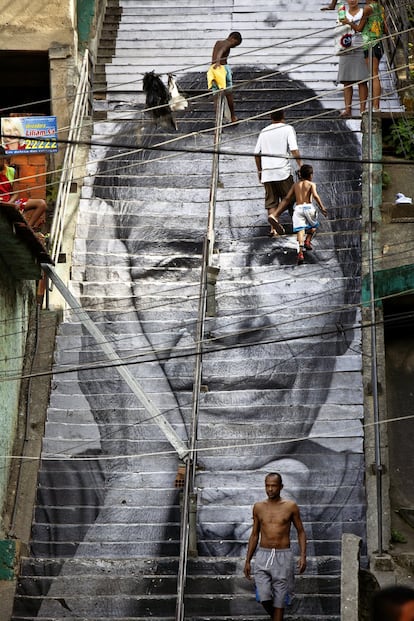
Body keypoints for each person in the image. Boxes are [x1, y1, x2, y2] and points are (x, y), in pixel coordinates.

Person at [33, 65, 365, 619]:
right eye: (177, 263)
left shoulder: (385, 503)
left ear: (350, 307)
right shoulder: (41, 502)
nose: (232, 321)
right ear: (108, 291)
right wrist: (139, 476)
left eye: (287, 256)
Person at [244, 473, 306, 621]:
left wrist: (303, 556)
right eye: (267, 485)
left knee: (279, 600)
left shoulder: (290, 506)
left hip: (283, 556)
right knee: (264, 596)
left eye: (274, 485)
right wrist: (247, 560)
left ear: (281, 487)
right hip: (263, 555)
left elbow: (301, 531)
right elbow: (254, 535)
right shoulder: (258, 507)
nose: (270, 489)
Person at [254, 109, 302, 237]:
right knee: (291, 198)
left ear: (270, 117)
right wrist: (300, 164)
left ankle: (273, 229)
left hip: (267, 173)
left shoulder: (264, 131)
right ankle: (292, 222)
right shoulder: (287, 129)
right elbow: (294, 149)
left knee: (271, 201)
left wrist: (260, 170)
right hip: (282, 171)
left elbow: (256, 153)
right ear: (283, 116)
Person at [341, 0, 388, 111]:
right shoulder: (380, 8)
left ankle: (376, 107)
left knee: (373, 75)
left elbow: (359, 29)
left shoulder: (367, 8)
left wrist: (349, 22)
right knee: (374, 74)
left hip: (370, 44)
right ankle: (376, 106)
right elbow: (386, 29)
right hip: (379, 44)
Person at [277, 164, 327, 265]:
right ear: (310, 175)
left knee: (300, 230)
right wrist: (322, 208)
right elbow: (316, 196)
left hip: (298, 208)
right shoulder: (311, 184)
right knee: (313, 226)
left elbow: (287, 198)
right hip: (309, 207)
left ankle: (300, 252)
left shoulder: (295, 185)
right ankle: (308, 240)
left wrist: (282, 208)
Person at [335, 0, 369, 117]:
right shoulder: (342, 13)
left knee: (362, 80)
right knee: (347, 80)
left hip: (361, 45)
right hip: (346, 47)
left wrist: (349, 23)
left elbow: (365, 28)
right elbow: (338, 30)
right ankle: (347, 109)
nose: (352, 0)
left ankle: (363, 109)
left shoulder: (363, 12)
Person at [0, 146, 46, 230]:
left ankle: (28, 228)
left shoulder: (11, 171)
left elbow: (16, 193)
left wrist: (11, 203)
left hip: (10, 202)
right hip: (1, 204)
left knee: (41, 204)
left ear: (4, 159)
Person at [208, 31, 242, 123]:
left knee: (216, 95)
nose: (234, 46)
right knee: (229, 94)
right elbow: (221, 51)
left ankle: (218, 118)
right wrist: (218, 62)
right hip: (222, 69)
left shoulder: (218, 42)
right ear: (233, 38)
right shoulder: (227, 43)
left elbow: (218, 50)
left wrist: (215, 63)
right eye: (235, 44)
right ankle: (233, 117)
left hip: (213, 70)